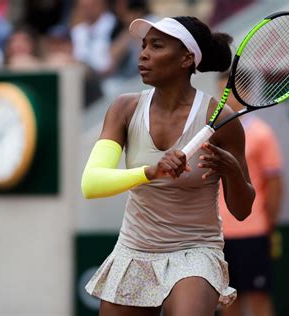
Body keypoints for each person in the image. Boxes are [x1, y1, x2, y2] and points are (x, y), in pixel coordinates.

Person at [81, 16, 256, 315]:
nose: (143, 54)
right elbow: (91, 184)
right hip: (135, 248)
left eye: (157, 46)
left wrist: (232, 171)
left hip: (195, 252)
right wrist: (150, 171)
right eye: (144, 45)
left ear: (186, 59)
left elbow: (242, 210)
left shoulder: (220, 118)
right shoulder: (124, 108)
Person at [217, 71, 284, 316]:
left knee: (258, 300)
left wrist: (268, 224)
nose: (223, 99)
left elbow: (275, 182)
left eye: (229, 92)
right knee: (228, 302)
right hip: (219, 235)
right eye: (221, 92)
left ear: (244, 93)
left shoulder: (261, 134)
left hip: (253, 232)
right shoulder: (215, 133)